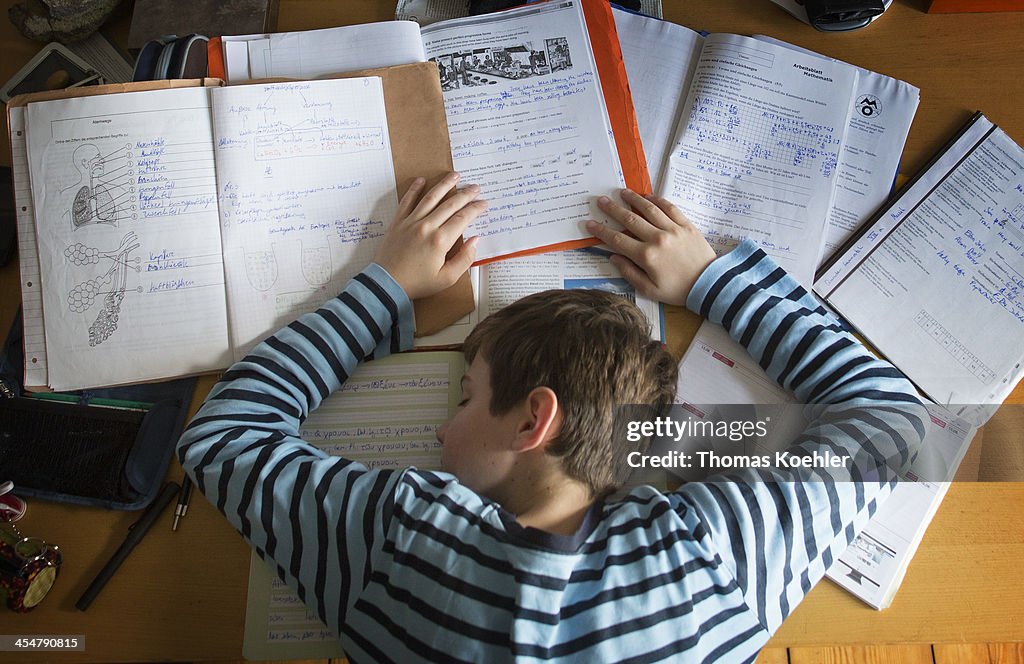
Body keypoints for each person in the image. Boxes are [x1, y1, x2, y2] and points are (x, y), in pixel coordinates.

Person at [178, 173, 925, 662]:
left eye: (466, 396)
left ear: (534, 419)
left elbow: (220, 436)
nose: (443, 427)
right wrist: (709, 281)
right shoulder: (709, 562)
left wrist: (384, 289)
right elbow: (891, 417)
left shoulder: (403, 543)